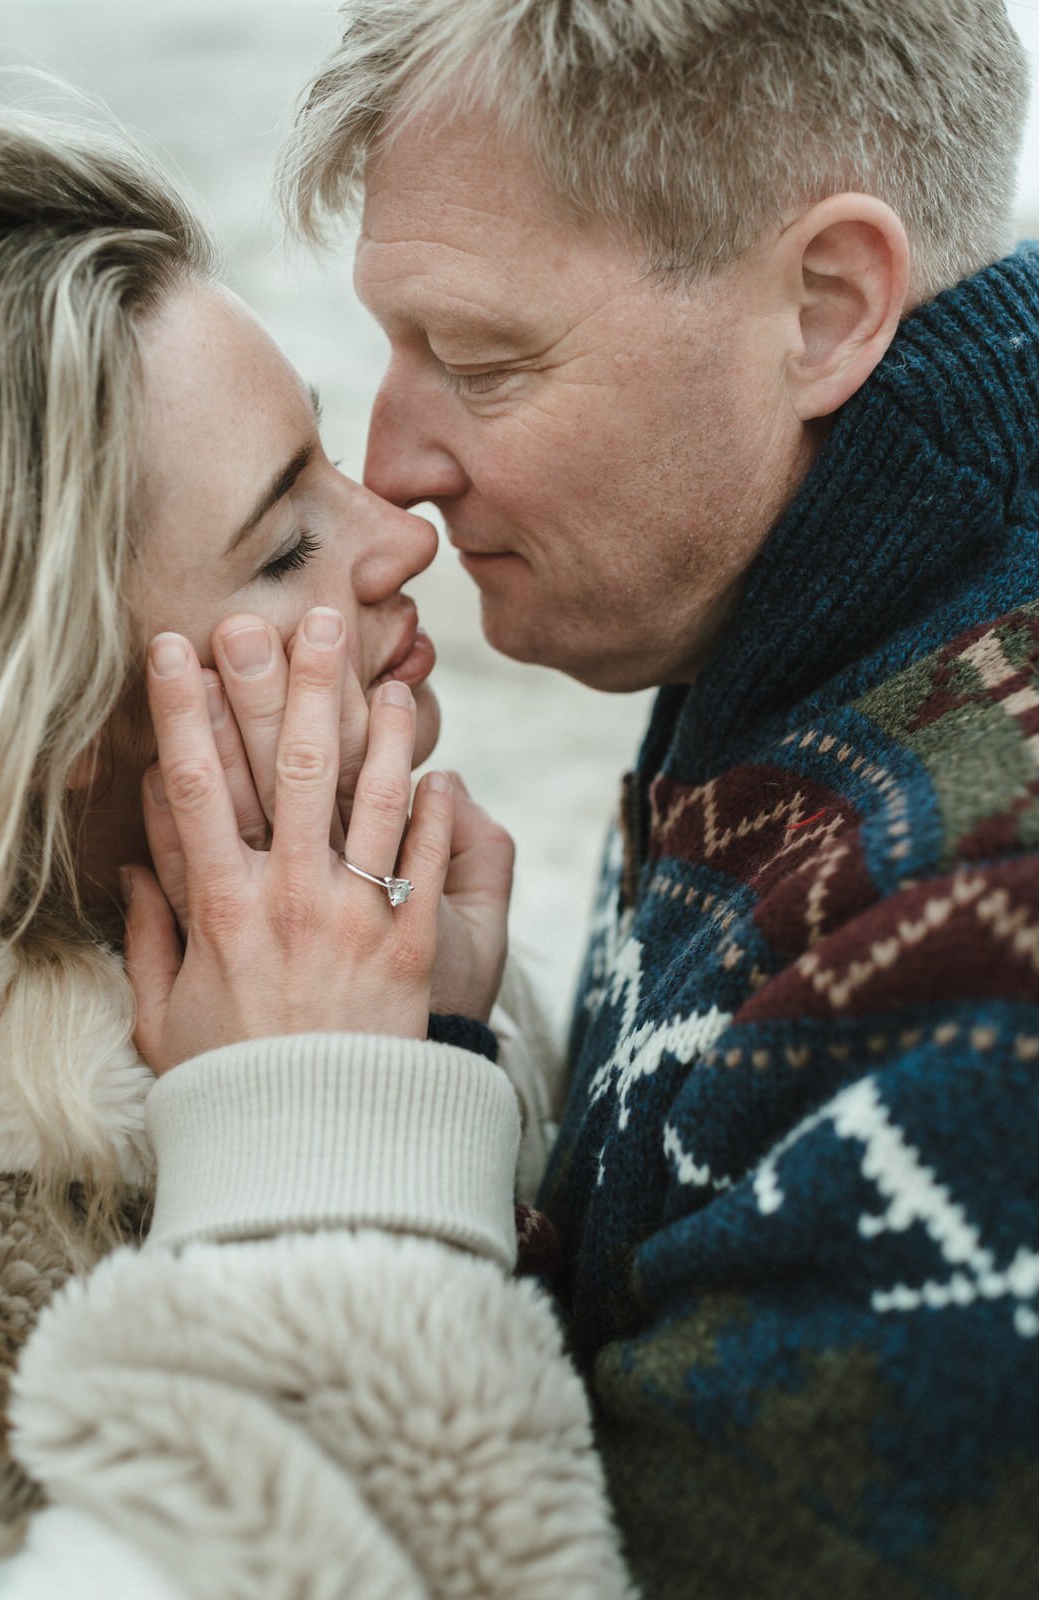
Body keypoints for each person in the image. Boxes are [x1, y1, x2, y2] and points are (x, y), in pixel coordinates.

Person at [270, 0, 1039, 1594]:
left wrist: (316, 1145)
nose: (392, 461)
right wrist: (449, 1064)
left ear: (826, 310)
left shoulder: (983, 963)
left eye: (479, 359)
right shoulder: (797, 597)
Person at [0, 106, 629, 1596]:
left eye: (328, 460)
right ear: (49, 708)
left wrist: (454, 1048)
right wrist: (322, 1128)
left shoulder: (383, 931)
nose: (396, 532)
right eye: (283, 544)